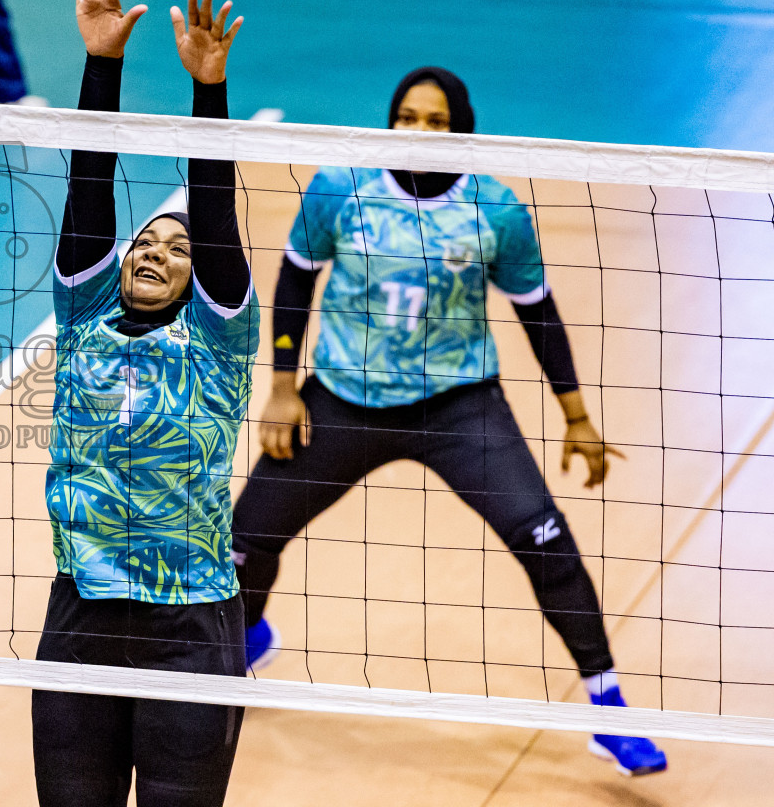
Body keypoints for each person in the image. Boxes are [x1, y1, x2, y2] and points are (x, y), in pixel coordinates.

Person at [230, 67, 668, 778]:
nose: (419, 130)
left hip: (459, 406)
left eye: (436, 121)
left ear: (459, 133)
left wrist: (577, 416)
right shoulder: (341, 186)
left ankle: (609, 708)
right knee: (246, 540)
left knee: (546, 541)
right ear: (390, 121)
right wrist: (283, 389)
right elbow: (295, 279)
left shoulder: (492, 209)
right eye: (407, 116)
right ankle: (242, 642)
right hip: (345, 397)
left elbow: (540, 312)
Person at [32, 0, 258, 807]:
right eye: (145, 243)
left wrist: (209, 91)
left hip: (190, 628)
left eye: (177, 248)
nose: (156, 250)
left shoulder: (217, 342)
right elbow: (89, 184)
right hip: (81, 611)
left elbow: (214, 208)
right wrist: (103, 61)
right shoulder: (85, 318)